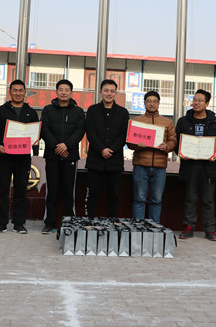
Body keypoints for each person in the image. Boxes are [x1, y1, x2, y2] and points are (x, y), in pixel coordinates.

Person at [175, 89, 216, 241]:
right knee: (190, 198)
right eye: (194, 100)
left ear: (207, 103)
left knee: (208, 200)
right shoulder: (183, 121)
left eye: (200, 100)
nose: (196, 103)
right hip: (190, 166)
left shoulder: (215, 122)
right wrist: (180, 152)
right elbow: (176, 142)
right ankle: (188, 227)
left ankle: (209, 229)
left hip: (208, 167)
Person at [0, 79, 40, 234]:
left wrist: (35, 151)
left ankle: (19, 223)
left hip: (23, 158)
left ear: (25, 92)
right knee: (2, 189)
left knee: (21, 190)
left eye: (21, 90)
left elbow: (36, 134)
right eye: (15, 90)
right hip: (4, 157)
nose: (18, 93)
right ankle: (1, 223)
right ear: (10, 92)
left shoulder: (31, 112)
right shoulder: (1, 111)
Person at [40, 79, 86, 234]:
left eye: (67, 90)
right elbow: (44, 129)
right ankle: (49, 223)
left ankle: (69, 223)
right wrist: (56, 146)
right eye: (61, 89)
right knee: (51, 191)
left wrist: (66, 145)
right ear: (56, 92)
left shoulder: (78, 111)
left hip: (70, 156)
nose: (64, 92)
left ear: (71, 93)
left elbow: (80, 131)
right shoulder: (48, 110)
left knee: (68, 191)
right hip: (52, 156)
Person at [127, 91, 177, 224]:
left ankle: (154, 228)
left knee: (157, 200)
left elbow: (173, 141)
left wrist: (166, 146)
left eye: (155, 101)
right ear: (144, 103)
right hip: (141, 166)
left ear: (159, 103)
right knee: (139, 199)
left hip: (160, 167)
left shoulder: (167, 122)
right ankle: (137, 227)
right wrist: (137, 145)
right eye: (149, 101)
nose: (152, 104)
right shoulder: (136, 121)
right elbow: (129, 143)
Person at [84, 79, 130, 217]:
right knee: (92, 193)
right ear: (100, 92)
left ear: (116, 93)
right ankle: (90, 221)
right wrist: (101, 149)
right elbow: (90, 132)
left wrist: (112, 150)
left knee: (114, 194)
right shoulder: (92, 110)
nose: (109, 94)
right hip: (95, 159)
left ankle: (113, 222)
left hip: (115, 161)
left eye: (112, 91)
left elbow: (124, 135)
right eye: (106, 91)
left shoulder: (123, 112)